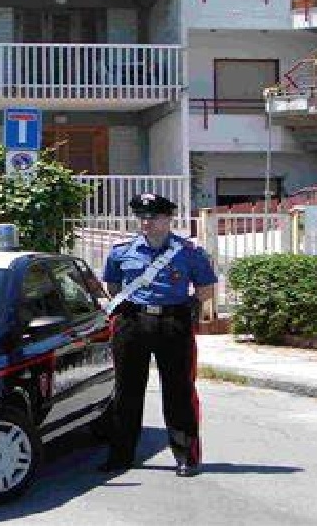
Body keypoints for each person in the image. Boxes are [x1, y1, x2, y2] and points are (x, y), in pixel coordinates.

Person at [99, 193, 218, 478]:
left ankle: (185, 456)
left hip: (172, 322)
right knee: (126, 390)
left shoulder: (189, 252)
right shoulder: (121, 251)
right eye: (141, 217)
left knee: (179, 390)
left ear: (168, 219)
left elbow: (205, 290)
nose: (146, 222)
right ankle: (121, 455)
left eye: (153, 217)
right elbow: (113, 287)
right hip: (132, 322)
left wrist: (185, 311)